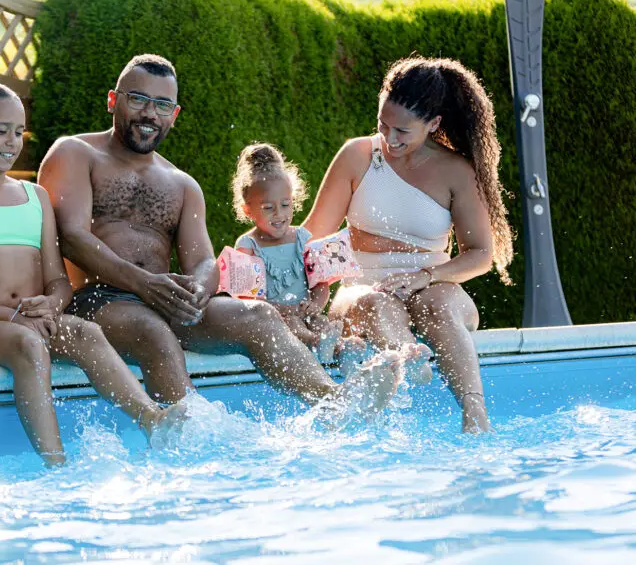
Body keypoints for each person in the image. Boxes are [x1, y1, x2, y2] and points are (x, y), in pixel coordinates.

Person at [38, 54, 423, 421]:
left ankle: (334, 403)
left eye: (160, 104)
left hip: (163, 302)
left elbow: (204, 262)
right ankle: (189, 432)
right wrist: (144, 284)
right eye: (137, 99)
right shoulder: (76, 153)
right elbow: (71, 237)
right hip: (95, 300)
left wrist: (196, 292)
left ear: (174, 115)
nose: (148, 113)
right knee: (153, 332)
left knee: (258, 314)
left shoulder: (181, 184)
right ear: (113, 101)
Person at [0, 81, 185, 467]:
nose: (12, 142)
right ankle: (55, 464)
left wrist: (51, 306)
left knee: (86, 332)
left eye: (18, 132)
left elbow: (58, 280)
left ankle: (152, 419)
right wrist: (13, 317)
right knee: (28, 346)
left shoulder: (35, 197)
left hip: (31, 321)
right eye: (0, 131)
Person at [302, 56, 514, 433]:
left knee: (438, 304)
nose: (390, 139)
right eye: (384, 124)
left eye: (403, 131)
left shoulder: (457, 172)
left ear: (433, 124)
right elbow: (314, 234)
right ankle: (408, 355)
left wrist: (426, 276)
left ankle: (475, 414)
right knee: (373, 300)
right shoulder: (357, 155)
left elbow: (481, 253)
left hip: (434, 285)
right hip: (362, 287)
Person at [230, 142, 356, 364]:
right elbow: (248, 301)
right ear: (247, 209)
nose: (279, 214)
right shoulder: (247, 245)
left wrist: (316, 304)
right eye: (268, 207)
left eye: (286, 205)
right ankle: (317, 343)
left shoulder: (304, 238)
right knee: (294, 324)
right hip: (273, 320)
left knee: (320, 322)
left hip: (305, 311)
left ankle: (345, 352)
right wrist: (287, 310)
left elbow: (320, 283)